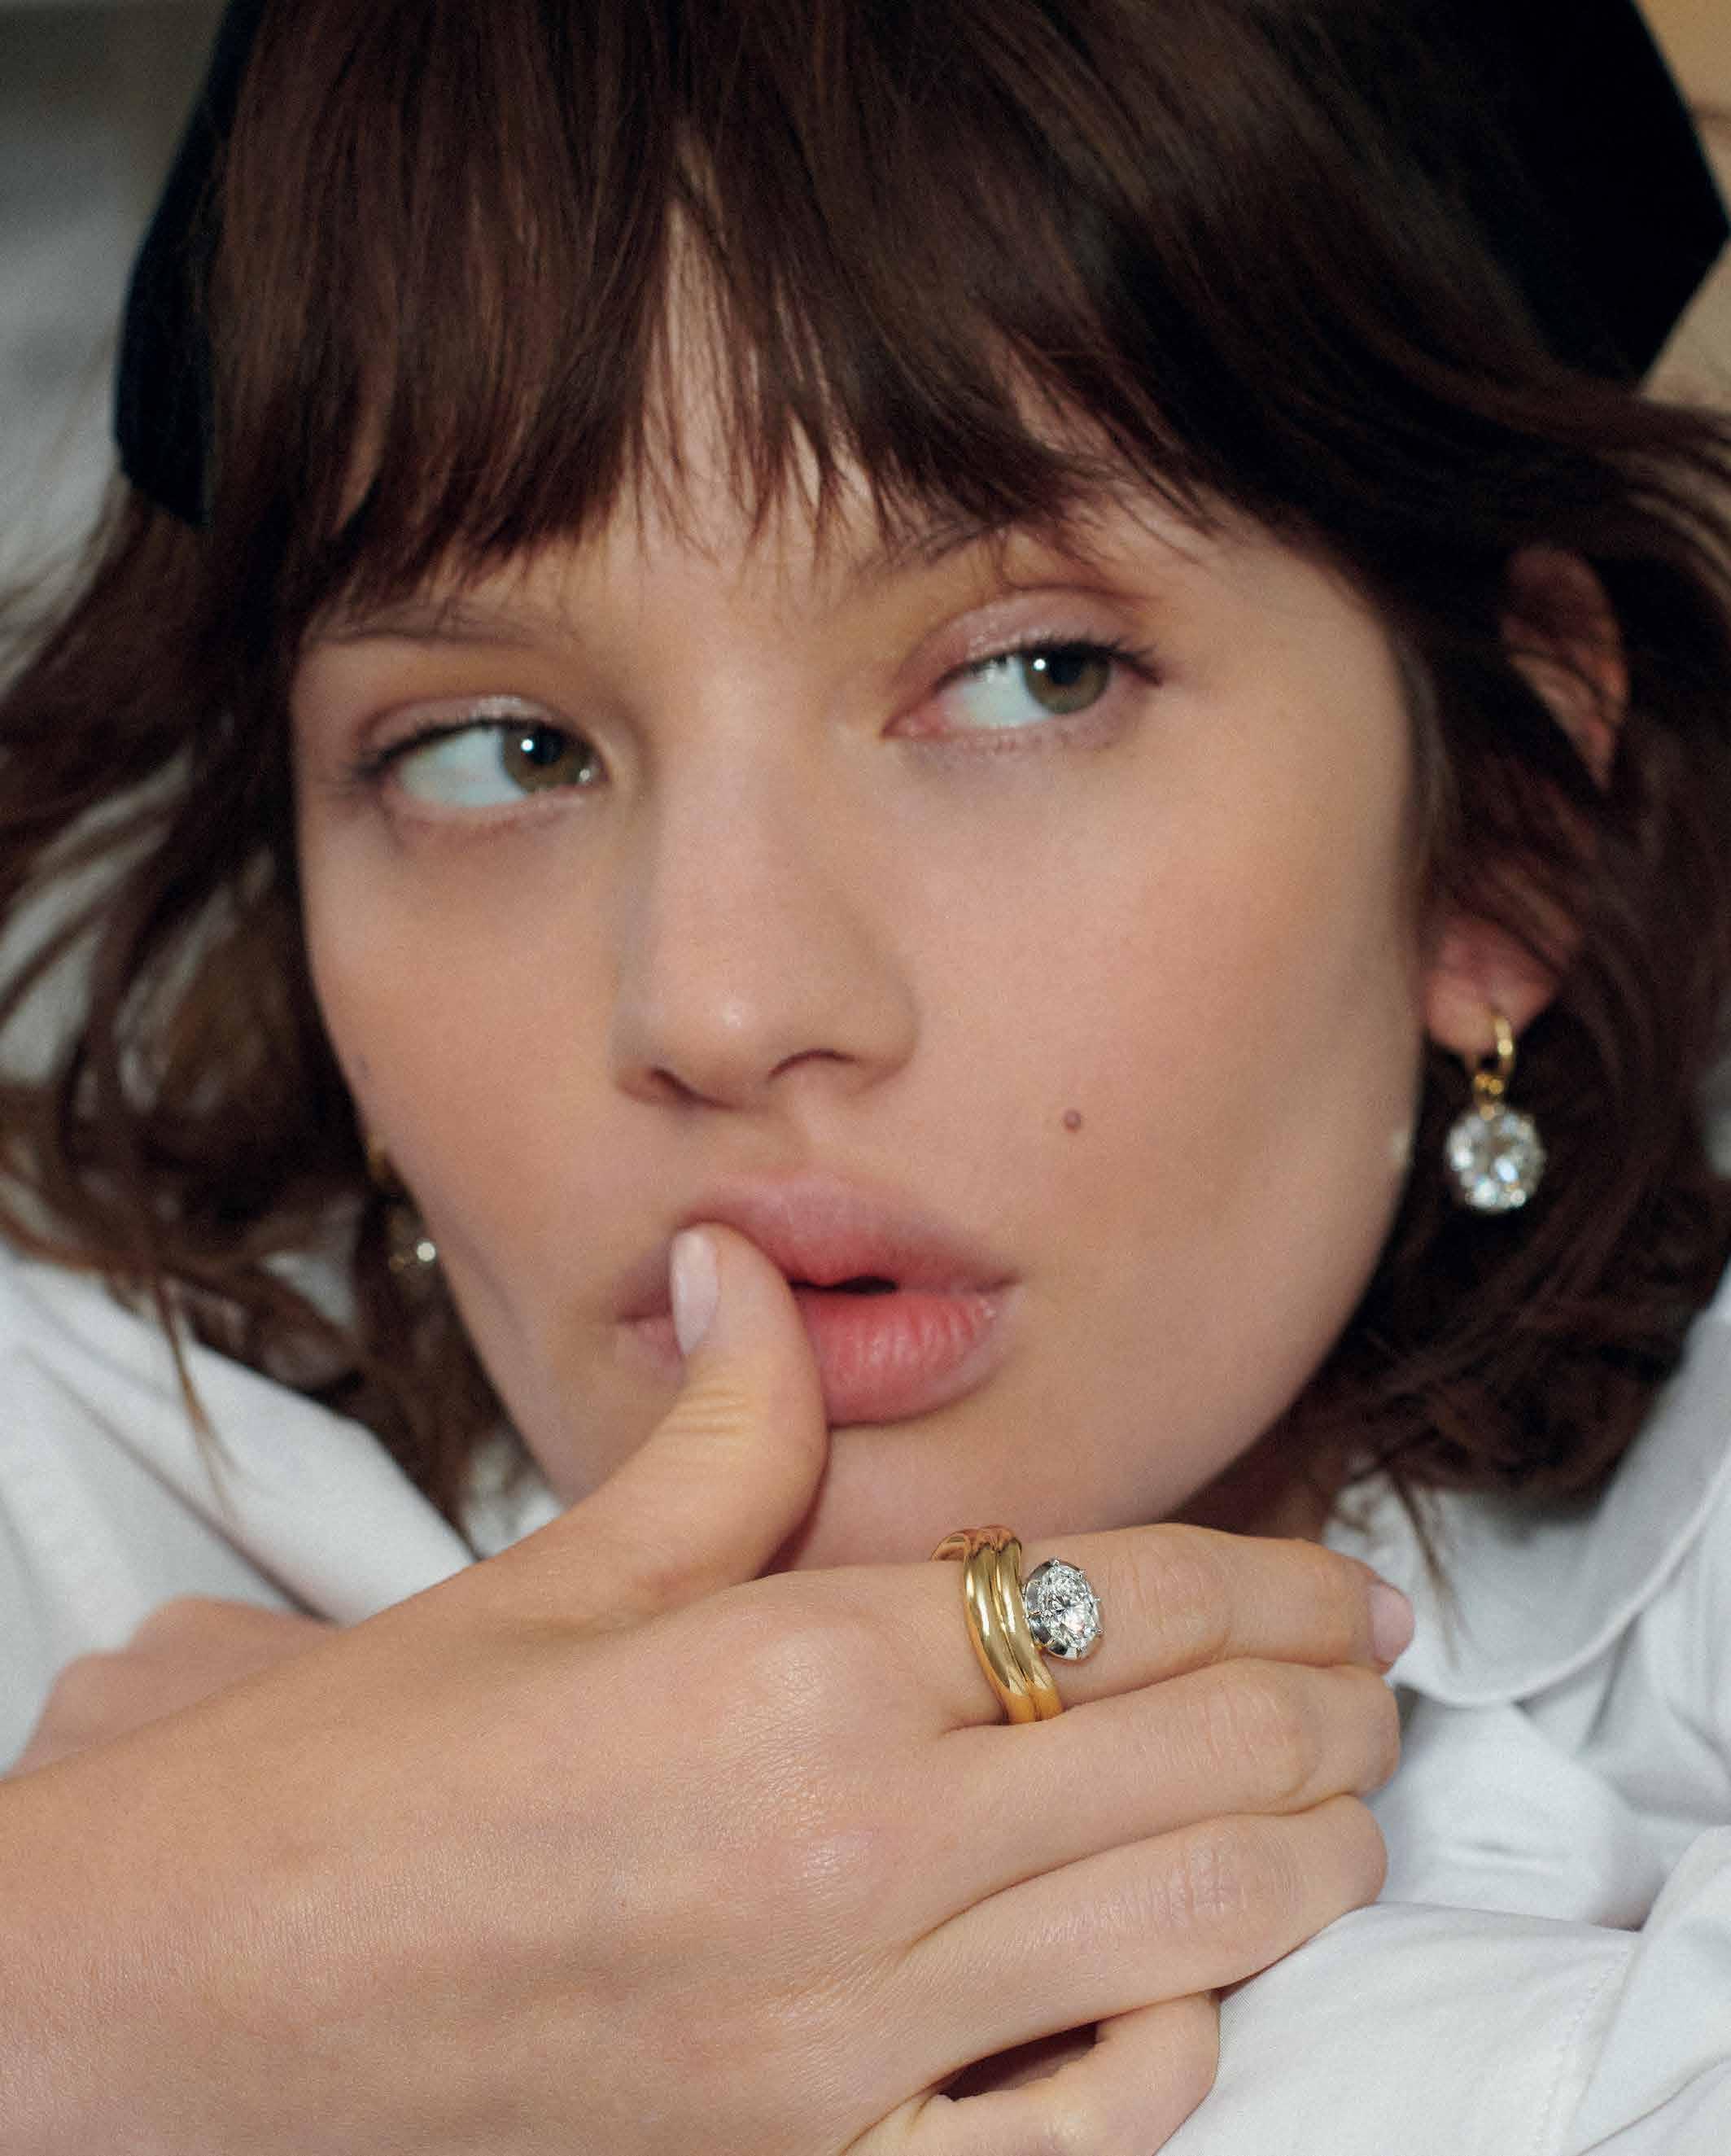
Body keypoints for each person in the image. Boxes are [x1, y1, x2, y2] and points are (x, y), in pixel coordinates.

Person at [1, 0, 1729, 2147]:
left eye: (1030, 677)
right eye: (500, 751)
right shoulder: (69, 1518)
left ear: (1508, 824)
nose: (718, 1006)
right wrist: (110, 1975)